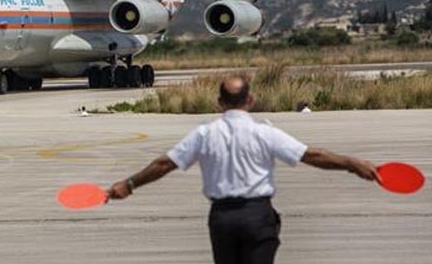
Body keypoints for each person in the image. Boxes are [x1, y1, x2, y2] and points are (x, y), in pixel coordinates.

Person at [107, 75, 379, 264]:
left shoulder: (205, 134)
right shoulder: (264, 132)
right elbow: (311, 155)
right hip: (257, 215)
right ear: (250, 100)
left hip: (222, 218)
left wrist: (129, 184)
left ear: (219, 102)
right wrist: (352, 164)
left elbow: (164, 164)